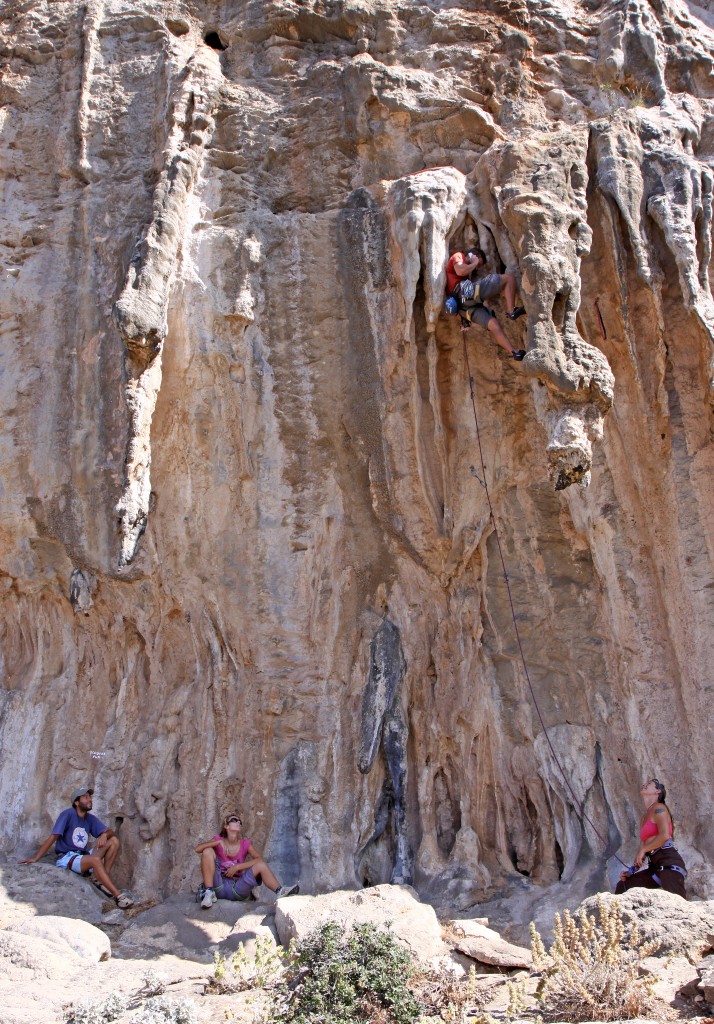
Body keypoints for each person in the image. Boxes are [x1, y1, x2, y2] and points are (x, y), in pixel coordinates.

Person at [20, 786, 135, 909]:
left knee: (113, 841)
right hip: (67, 857)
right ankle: (118, 897)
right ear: (76, 802)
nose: (89, 799)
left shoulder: (90, 818)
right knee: (95, 860)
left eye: (90, 797)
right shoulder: (67, 814)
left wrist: (105, 834)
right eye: (85, 797)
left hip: (82, 856)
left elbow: (110, 832)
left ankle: (100, 879)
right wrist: (36, 858)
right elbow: (54, 837)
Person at [195, 812, 300, 909]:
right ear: (226, 826)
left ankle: (280, 891)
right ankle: (208, 893)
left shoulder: (245, 844)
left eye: (239, 821)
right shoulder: (218, 839)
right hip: (218, 885)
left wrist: (237, 867)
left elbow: (259, 859)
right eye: (234, 820)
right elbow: (198, 849)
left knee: (261, 865)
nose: (238, 822)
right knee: (207, 851)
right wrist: (217, 843)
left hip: (237, 888)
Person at [444, 247, 526, 360]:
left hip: (463, 309)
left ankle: (514, 352)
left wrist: (462, 319)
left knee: (493, 324)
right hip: (465, 293)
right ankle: (512, 310)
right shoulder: (458, 256)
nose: (477, 268)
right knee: (509, 279)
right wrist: (475, 262)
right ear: (472, 255)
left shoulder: (466, 272)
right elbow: (460, 270)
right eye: (479, 264)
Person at [615, 778, 687, 898]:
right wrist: (631, 871)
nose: (644, 785)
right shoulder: (644, 818)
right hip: (655, 867)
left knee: (677, 901)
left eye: (649, 784)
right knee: (623, 886)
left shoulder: (660, 808)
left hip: (668, 861)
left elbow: (665, 835)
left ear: (657, 791)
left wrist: (643, 850)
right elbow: (643, 848)